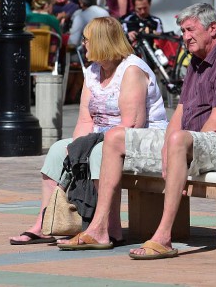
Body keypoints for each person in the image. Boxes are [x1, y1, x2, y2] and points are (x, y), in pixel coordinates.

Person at [56, 3, 216, 260]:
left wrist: (181, 149)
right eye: (183, 30)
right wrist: (167, 146)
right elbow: (180, 112)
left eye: (190, 30)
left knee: (178, 139)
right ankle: (99, 228)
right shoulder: (196, 61)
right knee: (115, 137)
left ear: (212, 29)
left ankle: (163, 236)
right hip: (187, 141)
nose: (185, 36)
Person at [9, 16, 168, 245]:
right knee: (57, 150)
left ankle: (106, 227)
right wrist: (76, 149)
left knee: (99, 152)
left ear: (102, 42)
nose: (84, 44)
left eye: (87, 40)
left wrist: (87, 148)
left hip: (140, 139)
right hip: (101, 138)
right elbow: (85, 119)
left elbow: (133, 124)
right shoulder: (93, 71)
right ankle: (46, 223)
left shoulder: (131, 70)